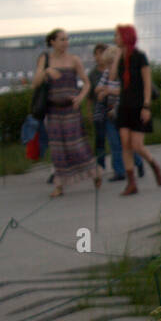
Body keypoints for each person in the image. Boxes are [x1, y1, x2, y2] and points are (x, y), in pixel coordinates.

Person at [32, 29, 101, 197]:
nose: (65, 42)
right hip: (53, 110)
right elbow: (35, 83)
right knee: (57, 148)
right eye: (62, 39)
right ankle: (59, 185)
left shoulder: (74, 60)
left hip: (71, 109)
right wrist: (46, 71)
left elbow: (86, 83)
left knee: (75, 145)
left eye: (66, 39)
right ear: (53, 42)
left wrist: (81, 97)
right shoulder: (45, 59)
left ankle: (95, 172)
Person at [109, 24, 161, 196]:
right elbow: (112, 77)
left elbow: (147, 83)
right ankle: (131, 183)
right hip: (124, 106)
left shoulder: (140, 57)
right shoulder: (121, 58)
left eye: (117, 36)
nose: (114, 39)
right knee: (125, 143)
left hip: (139, 106)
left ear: (125, 37)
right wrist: (118, 55)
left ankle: (154, 164)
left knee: (137, 145)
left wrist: (146, 106)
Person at [95, 45, 144, 182]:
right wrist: (101, 91)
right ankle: (119, 171)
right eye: (108, 65)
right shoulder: (106, 74)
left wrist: (108, 90)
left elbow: (124, 91)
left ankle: (138, 162)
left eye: (111, 64)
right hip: (110, 114)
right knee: (114, 143)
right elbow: (98, 88)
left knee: (127, 144)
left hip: (124, 113)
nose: (109, 68)